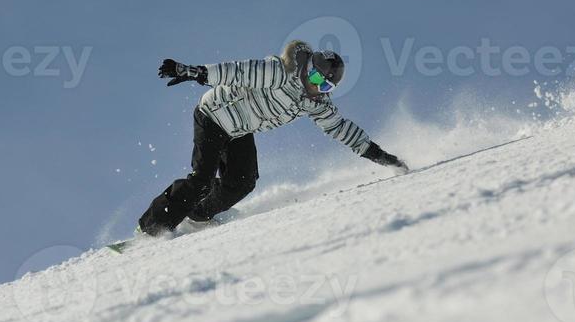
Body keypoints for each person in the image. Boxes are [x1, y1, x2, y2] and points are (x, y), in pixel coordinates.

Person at [137, 40, 408, 236]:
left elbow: (343, 130)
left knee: (243, 182)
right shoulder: (280, 71)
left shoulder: (316, 104)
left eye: (326, 84)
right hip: (214, 115)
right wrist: (194, 72)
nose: (317, 85)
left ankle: (197, 216)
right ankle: (151, 227)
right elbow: (237, 71)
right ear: (308, 67)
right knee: (203, 179)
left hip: (239, 130)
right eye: (315, 76)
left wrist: (385, 158)